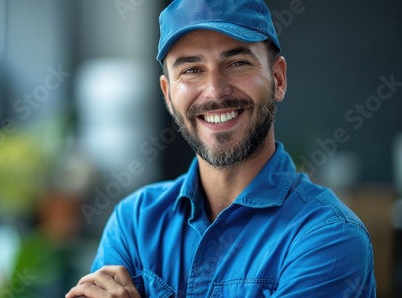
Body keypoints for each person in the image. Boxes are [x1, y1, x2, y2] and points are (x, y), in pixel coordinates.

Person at [66, 0, 377, 297]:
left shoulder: (328, 237)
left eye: (237, 62)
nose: (215, 91)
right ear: (168, 93)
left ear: (278, 79)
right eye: (191, 70)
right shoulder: (134, 223)